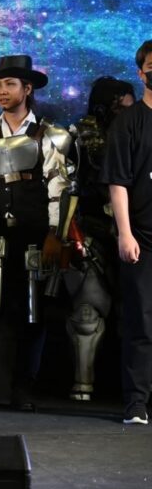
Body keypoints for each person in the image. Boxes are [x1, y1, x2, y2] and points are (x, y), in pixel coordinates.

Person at [0, 54, 72, 411]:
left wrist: (54, 233)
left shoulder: (51, 134)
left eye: (9, 84)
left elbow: (59, 186)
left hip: (35, 235)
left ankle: (24, 389)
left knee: (32, 313)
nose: (2, 91)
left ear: (27, 89)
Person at [67, 76, 135, 402]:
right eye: (121, 107)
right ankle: (84, 383)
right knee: (87, 317)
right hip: (93, 231)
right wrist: (68, 230)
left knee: (139, 313)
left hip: (137, 230)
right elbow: (66, 186)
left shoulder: (139, 132)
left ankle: (136, 389)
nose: (127, 113)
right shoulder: (79, 138)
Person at [103, 40, 152, 425]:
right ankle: (136, 402)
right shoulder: (129, 122)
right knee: (142, 321)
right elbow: (118, 182)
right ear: (141, 72)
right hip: (143, 236)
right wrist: (125, 233)